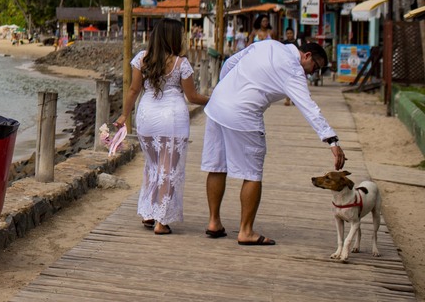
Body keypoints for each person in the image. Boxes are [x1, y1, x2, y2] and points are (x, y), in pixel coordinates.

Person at [201, 39, 343, 246]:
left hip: (216, 105)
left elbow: (230, 63)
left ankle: (214, 222)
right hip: (244, 113)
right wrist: (332, 141)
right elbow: (309, 107)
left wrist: (229, 89)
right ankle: (246, 231)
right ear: (307, 56)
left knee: (216, 165)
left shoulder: (267, 44)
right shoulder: (293, 70)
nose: (312, 74)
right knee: (252, 173)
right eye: (316, 68)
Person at [115, 19, 210, 235]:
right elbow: (192, 96)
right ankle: (162, 220)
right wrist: (213, 100)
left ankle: (149, 213)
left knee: (153, 166)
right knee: (169, 169)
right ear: (173, 38)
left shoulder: (142, 59)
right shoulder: (181, 64)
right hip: (172, 117)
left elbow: (133, 90)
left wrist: (124, 115)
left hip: (147, 116)